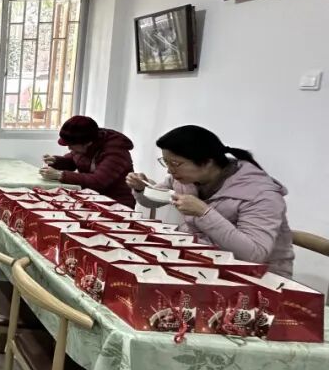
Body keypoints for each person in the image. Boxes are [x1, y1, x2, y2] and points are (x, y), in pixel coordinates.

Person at [127, 125, 294, 276]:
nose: (169, 171)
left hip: (257, 278)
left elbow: (254, 254)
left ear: (207, 162)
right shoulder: (185, 179)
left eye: (175, 163)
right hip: (204, 262)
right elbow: (154, 201)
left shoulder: (261, 195)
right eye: (166, 162)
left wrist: (204, 213)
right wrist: (142, 188)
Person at [39, 115, 135, 207]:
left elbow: (98, 181)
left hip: (117, 205)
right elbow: (72, 161)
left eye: (71, 145)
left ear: (88, 143)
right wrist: (56, 161)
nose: (69, 148)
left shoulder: (116, 152)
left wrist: (60, 175)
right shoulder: (85, 145)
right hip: (92, 199)